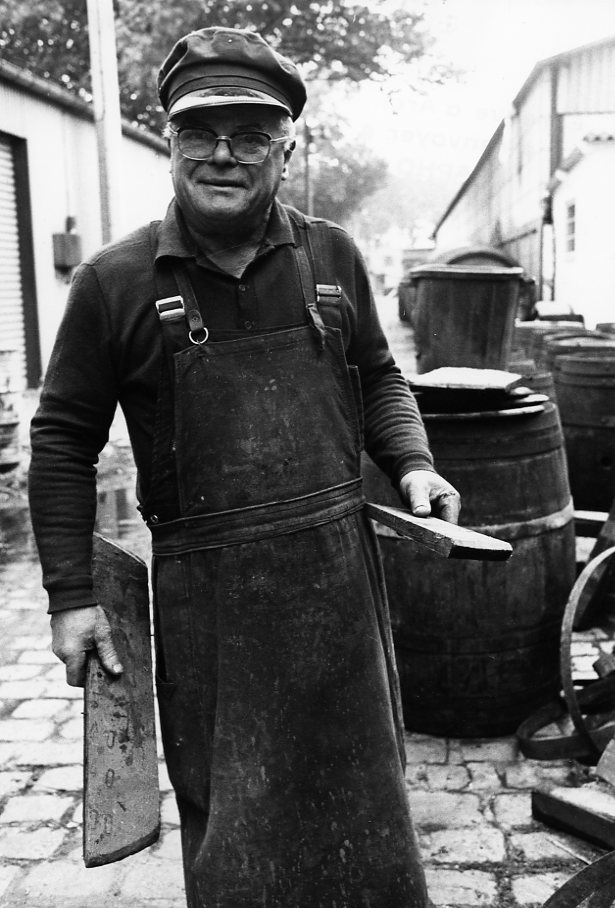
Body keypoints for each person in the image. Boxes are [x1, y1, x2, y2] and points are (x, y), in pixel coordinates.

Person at [28, 26, 460, 908]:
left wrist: (411, 463)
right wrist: (71, 596)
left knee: (366, 825)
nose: (221, 155)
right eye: (199, 132)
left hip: (340, 596)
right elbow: (63, 442)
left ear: (285, 152)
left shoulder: (332, 259)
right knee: (235, 837)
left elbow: (379, 376)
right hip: (211, 617)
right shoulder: (114, 283)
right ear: (170, 142)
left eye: (250, 135)